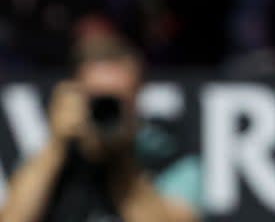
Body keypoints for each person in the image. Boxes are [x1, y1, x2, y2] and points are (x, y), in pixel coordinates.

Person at [0, 31, 203, 222]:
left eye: (117, 101)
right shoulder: (53, 161)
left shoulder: (168, 156)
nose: (107, 110)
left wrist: (120, 160)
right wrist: (56, 146)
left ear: (139, 94)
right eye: (97, 100)